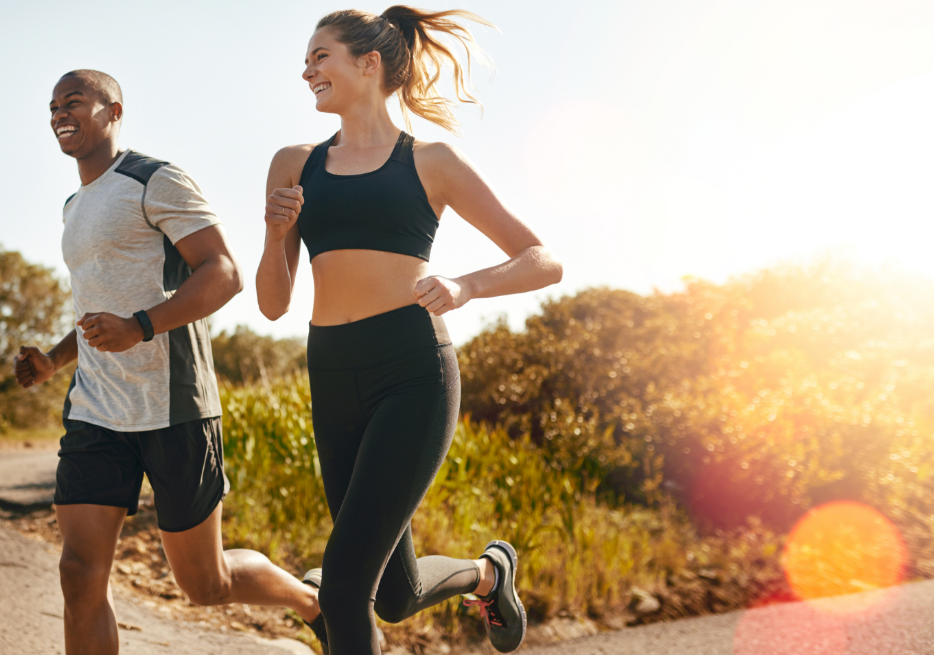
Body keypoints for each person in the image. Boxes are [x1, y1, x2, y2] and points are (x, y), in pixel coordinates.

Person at [256, 6, 563, 654]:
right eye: (306, 59)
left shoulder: (431, 161)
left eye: (321, 56)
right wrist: (275, 231)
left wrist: (465, 286)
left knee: (341, 586)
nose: (306, 69)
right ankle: (490, 573)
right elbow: (273, 304)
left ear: (368, 64)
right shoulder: (293, 163)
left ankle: (482, 575)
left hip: (411, 371)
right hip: (331, 370)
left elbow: (542, 258)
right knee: (391, 595)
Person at [13, 69, 319, 655]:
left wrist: (141, 327)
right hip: (97, 411)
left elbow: (223, 273)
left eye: (73, 101)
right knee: (79, 573)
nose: (59, 113)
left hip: (174, 405)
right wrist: (54, 361)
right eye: (52, 106)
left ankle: (313, 602)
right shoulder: (73, 206)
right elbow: (97, 308)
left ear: (113, 110)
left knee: (206, 585)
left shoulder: (155, 179)